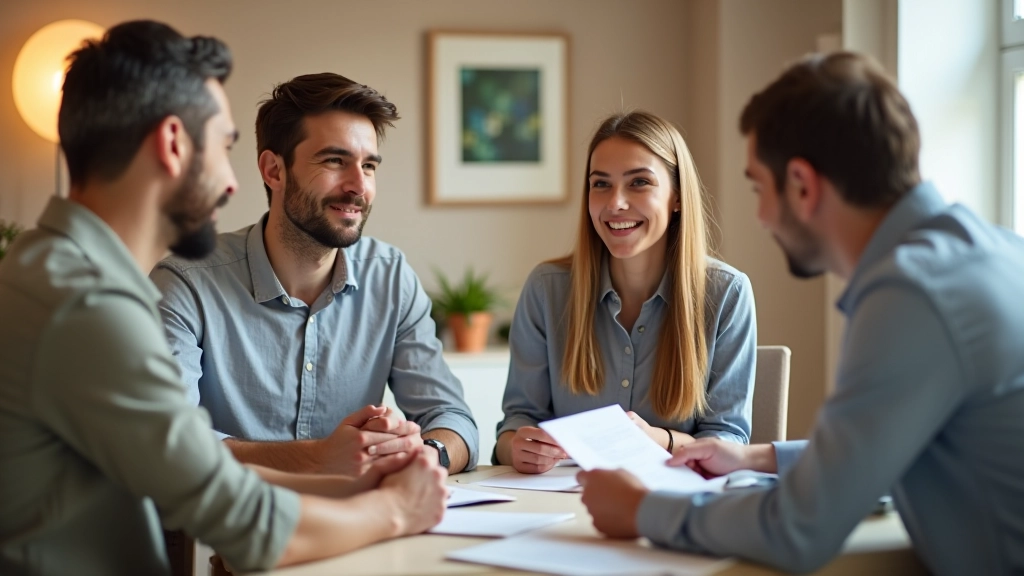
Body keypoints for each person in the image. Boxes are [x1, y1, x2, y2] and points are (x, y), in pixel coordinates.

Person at [0, 21, 447, 576]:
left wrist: (354, 477)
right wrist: (397, 509)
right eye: (223, 146)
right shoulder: (84, 302)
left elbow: (194, 469)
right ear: (171, 144)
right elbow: (249, 526)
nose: (232, 183)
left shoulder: (50, 268)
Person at [577, 52, 1024, 575]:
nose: (763, 217)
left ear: (803, 185)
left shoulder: (911, 295)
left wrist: (642, 510)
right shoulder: (994, 252)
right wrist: (757, 457)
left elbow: (799, 527)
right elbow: (878, 440)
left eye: (758, 189)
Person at [149, 73, 478, 475]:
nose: (359, 186)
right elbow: (167, 439)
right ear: (273, 170)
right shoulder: (186, 283)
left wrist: (423, 454)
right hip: (231, 529)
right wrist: (318, 457)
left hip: (367, 524)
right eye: (335, 161)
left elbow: (454, 420)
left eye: (369, 165)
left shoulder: (391, 277)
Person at [495, 111, 757, 473]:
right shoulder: (546, 289)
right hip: (565, 505)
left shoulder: (727, 293)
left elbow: (727, 438)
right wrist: (516, 447)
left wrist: (659, 439)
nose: (615, 203)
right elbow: (517, 421)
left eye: (639, 183)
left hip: (675, 509)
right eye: (600, 184)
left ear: (677, 197)